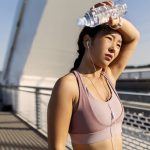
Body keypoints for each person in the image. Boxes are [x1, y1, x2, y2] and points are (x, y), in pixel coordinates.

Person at [47, 2, 140, 150]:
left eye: (118, 44)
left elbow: (134, 37)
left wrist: (116, 20)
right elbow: (57, 147)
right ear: (87, 41)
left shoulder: (108, 76)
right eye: (109, 39)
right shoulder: (69, 85)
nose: (113, 49)